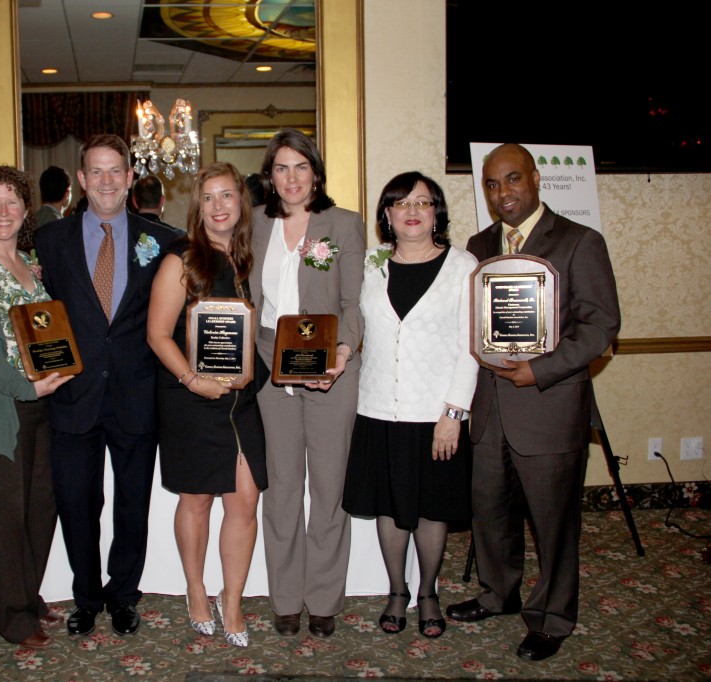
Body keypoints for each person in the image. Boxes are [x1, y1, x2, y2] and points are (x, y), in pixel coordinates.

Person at [446, 143, 620, 661]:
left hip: (549, 407)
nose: (504, 194)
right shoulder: (476, 247)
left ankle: (554, 616)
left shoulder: (578, 241)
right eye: (493, 185)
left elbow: (601, 326)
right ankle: (500, 593)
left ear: (536, 178)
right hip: (488, 407)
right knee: (489, 512)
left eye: (512, 180)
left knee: (553, 521)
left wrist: (538, 369)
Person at [34, 134, 180, 637]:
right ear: (80, 180)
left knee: (131, 503)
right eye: (95, 172)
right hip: (73, 397)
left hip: (137, 396)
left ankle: (123, 595)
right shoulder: (48, 241)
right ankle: (86, 597)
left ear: (130, 177)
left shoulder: (162, 241)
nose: (106, 181)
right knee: (77, 504)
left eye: (115, 170)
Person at [342, 172, 478, 639]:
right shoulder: (371, 265)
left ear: (437, 211)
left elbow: (470, 347)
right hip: (378, 407)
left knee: (429, 509)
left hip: (435, 414)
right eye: (401, 203)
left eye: (422, 202)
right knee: (389, 505)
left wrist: (454, 413)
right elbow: (350, 324)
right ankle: (397, 590)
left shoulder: (464, 266)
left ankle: (428, 592)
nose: (412, 211)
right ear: (387, 215)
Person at [146, 162, 268, 647]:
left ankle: (231, 600)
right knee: (196, 499)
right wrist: (192, 380)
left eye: (228, 196)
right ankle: (196, 591)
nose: (219, 206)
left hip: (242, 401)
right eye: (209, 198)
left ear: (241, 204)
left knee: (245, 498)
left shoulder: (246, 259)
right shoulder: (182, 259)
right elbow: (157, 334)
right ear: (199, 207)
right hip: (189, 397)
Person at [250, 128, 364, 638]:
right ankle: (286, 597)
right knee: (281, 489)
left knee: (328, 487)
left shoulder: (343, 224)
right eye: (281, 168)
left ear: (315, 172)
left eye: (300, 167)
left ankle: (322, 598)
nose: (291, 178)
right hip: (271, 362)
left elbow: (353, 304)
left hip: (330, 366)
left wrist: (341, 354)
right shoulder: (254, 225)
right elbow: (249, 304)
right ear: (269, 177)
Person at [0, 166, 73, 650]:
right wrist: (27, 389)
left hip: (43, 406)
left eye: (13, 202)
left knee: (40, 509)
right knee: (6, 517)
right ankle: (12, 616)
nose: (3, 212)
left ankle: (26, 592)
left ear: (26, 210)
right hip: (2, 407)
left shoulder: (31, 261)